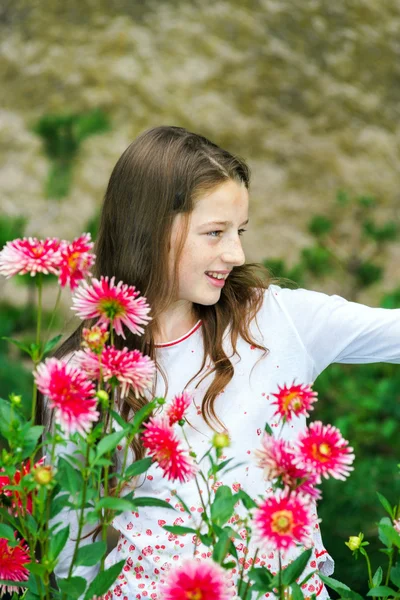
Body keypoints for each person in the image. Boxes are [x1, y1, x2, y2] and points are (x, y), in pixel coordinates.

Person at [53, 125, 400, 599]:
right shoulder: (85, 371)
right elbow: (72, 541)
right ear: (149, 230)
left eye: (239, 232)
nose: (235, 254)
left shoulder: (277, 320)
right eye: (215, 233)